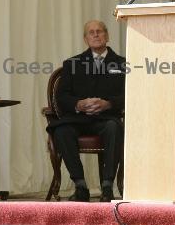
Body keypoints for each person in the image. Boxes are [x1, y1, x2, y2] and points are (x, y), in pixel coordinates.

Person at [49, 20, 125, 202]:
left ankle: (107, 186)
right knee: (61, 130)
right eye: (91, 32)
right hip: (78, 119)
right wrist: (79, 104)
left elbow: (129, 95)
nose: (96, 34)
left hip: (106, 119)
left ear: (107, 36)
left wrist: (108, 104)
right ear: (85, 39)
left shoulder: (122, 63)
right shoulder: (72, 64)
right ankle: (80, 185)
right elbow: (62, 97)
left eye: (99, 31)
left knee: (115, 128)